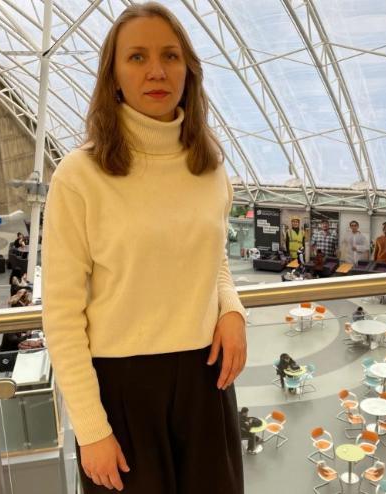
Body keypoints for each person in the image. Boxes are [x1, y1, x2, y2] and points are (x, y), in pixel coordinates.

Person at [41, 4, 247, 494]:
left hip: (206, 383)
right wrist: (91, 428)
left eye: (170, 56)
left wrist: (232, 310)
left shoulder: (209, 168)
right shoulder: (80, 176)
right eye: (136, 57)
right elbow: (62, 312)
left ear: (188, 71)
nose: (156, 70)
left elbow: (211, 255)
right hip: (121, 392)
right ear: (113, 76)